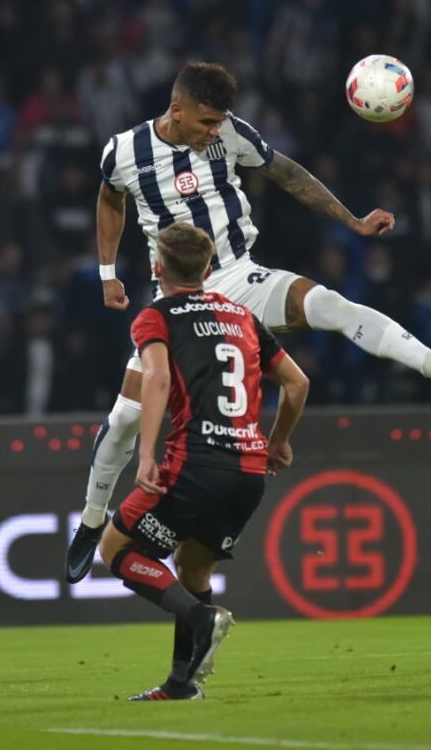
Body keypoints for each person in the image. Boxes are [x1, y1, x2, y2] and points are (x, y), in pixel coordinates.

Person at [67, 62, 431, 581]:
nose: (214, 132)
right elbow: (110, 197)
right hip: (179, 299)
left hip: (242, 278)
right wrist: (108, 271)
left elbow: (287, 173)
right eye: (205, 123)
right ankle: (90, 522)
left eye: (219, 122)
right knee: (127, 418)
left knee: (329, 304)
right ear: (177, 110)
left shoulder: (232, 135)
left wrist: (352, 220)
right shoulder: (124, 151)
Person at [98, 223, 309, 700]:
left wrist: (147, 453)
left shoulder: (157, 316)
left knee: (116, 550)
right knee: (193, 570)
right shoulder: (243, 317)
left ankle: (201, 618)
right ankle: (181, 683)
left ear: (157, 268)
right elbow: (297, 385)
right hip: (248, 474)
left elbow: (154, 380)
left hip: (194, 463)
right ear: (209, 269)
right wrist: (278, 442)